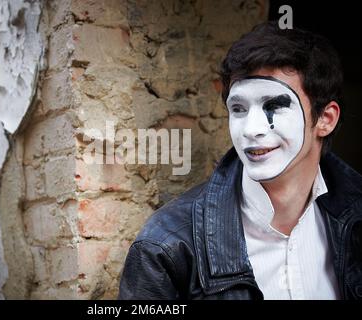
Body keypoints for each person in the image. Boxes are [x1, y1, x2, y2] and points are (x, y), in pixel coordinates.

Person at [118, 21, 362, 300]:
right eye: (238, 108)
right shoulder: (166, 247)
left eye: (275, 106)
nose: (251, 129)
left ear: (325, 119)